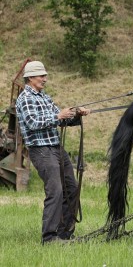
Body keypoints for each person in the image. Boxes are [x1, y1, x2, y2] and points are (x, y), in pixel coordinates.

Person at [15, 61, 90, 244]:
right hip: (41, 151)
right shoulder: (25, 98)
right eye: (41, 76)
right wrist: (58, 116)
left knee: (71, 188)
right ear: (31, 77)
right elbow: (33, 123)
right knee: (55, 191)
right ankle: (49, 237)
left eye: (45, 76)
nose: (45, 79)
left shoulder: (45, 97)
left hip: (56, 149)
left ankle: (65, 235)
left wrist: (76, 115)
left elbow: (60, 120)